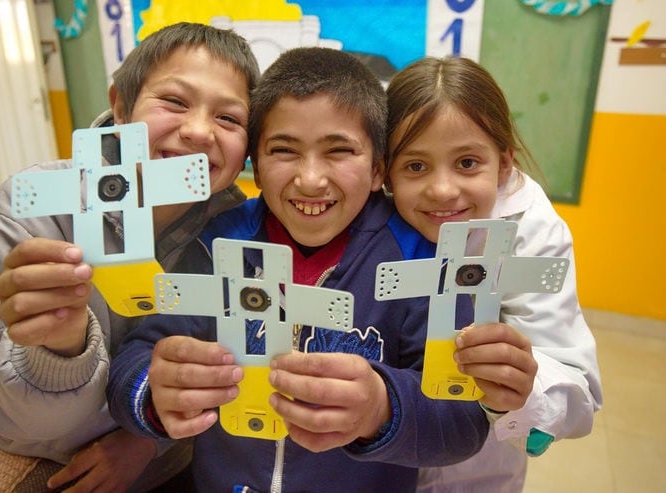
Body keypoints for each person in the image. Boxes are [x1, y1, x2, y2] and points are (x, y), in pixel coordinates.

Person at [106, 47, 490, 493]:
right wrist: (153, 393)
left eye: (339, 151)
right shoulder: (216, 245)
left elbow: (465, 424)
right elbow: (135, 357)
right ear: (255, 163)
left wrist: (381, 408)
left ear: (377, 169)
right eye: (284, 150)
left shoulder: (423, 263)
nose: (310, 179)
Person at [0, 22, 260, 492]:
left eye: (229, 119)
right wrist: (56, 349)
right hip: (34, 464)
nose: (199, 131)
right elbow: (11, 420)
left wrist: (145, 440)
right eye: (175, 101)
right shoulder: (29, 212)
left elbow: (226, 373)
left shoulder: (237, 232)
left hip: (166, 465)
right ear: (121, 107)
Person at [384, 56, 603, 492]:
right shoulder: (371, 214)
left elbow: (578, 396)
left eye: (467, 163)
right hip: (377, 457)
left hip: (474, 472)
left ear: (503, 164)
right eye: (415, 166)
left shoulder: (531, 228)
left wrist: (524, 386)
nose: (443, 190)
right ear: (384, 173)